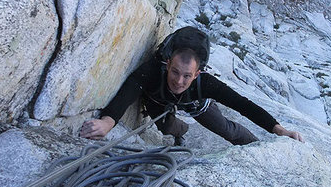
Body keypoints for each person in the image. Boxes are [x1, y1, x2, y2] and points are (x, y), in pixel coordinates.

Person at [80, 32, 304, 145]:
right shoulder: (152, 71)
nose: (179, 81)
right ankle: (182, 131)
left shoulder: (204, 83)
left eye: (187, 76)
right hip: (157, 99)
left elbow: (241, 104)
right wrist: (108, 121)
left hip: (193, 102)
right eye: (175, 72)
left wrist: (279, 130)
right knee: (167, 129)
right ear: (168, 64)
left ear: (198, 74)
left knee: (227, 130)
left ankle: (254, 146)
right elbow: (130, 89)